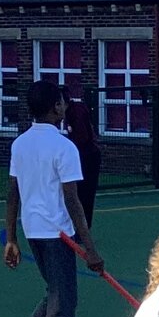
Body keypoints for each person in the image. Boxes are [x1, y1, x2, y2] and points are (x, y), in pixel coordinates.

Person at [0, 80, 102, 317]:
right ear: (56, 107)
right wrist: (90, 248)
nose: (66, 106)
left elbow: (12, 194)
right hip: (58, 234)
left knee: (57, 294)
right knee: (65, 305)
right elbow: (73, 201)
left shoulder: (21, 144)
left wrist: (12, 237)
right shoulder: (64, 147)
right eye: (62, 102)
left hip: (33, 231)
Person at [61, 95, 103, 226]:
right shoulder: (74, 111)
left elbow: (81, 138)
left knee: (83, 194)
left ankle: (82, 228)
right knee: (81, 194)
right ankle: (80, 226)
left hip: (88, 157)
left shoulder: (76, 114)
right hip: (87, 155)